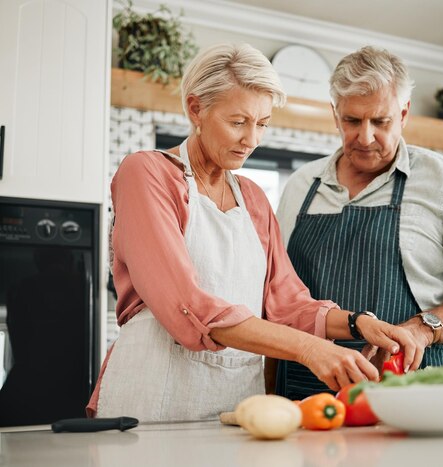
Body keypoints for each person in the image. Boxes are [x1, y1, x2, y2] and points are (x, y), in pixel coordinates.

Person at [87, 43, 418, 422]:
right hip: (152, 395)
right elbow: (187, 306)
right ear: (196, 109)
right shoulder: (146, 174)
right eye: (238, 122)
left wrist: (361, 323)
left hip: (235, 401)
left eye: (262, 123)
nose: (252, 140)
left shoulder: (254, 199)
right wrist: (309, 349)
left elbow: (287, 304)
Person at [274, 46, 443, 400]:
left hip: (410, 394)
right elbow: (276, 300)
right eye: (352, 121)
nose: (365, 137)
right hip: (303, 397)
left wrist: (423, 329)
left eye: (380, 121)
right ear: (335, 115)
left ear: (403, 114)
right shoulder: (301, 185)